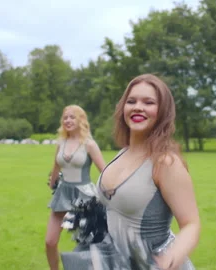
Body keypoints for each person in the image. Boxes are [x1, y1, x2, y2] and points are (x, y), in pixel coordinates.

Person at [95, 74, 201, 269]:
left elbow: (191, 224)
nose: (138, 107)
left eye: (148, 102)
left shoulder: (166, 163)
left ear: (162, 112)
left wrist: (172, 257)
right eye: (131, 101)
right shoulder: (122, 153)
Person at [46, 105, 106, 270]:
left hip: (84, 198)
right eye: (65, 117)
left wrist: (111, 191)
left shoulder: (89, 145)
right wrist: (52, 183)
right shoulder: (61, 143)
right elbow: (56, 167)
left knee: (89, 244)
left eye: (72, 117)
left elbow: (105, 171)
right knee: (50, 242)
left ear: (81, 120)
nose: (68, 120)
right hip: (63, 194)